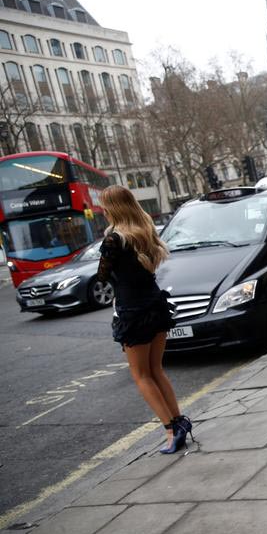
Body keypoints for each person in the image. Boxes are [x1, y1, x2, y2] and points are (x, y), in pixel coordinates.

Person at [97, 186, 191, 454]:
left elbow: (102, 277)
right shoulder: (145, 232)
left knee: (140, 375)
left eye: (104, 206)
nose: (102, 211)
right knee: (156, 370)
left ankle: (171, 430)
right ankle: (180, 422)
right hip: (155, 305)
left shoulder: (114, 240)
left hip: (132, 312)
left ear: (113, 209)